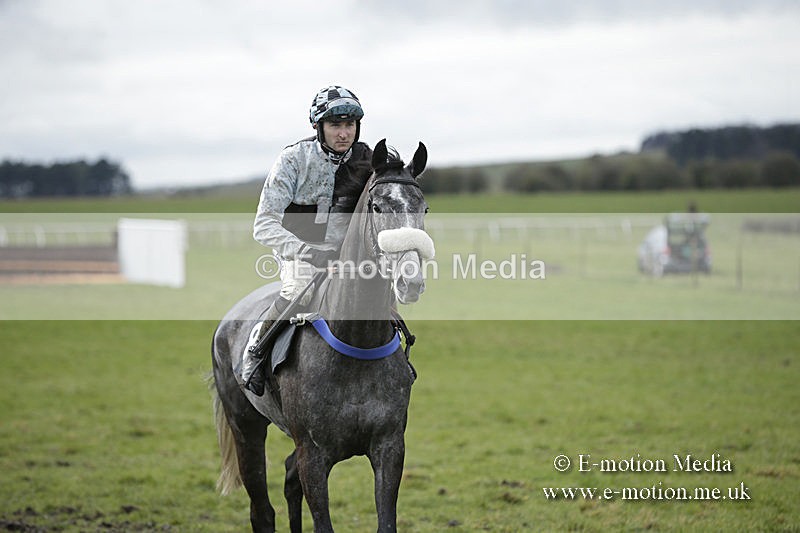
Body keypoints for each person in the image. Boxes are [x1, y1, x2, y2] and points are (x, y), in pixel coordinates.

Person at [242, 85, 374, 395]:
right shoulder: (292, 160)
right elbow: (263, 224)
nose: (344, 134)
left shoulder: (367, 159)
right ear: (318, 127)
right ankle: (255, 352)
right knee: (298, 289)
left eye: (349, 125)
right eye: (335, 125)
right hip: (300, 254)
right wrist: (307, 252)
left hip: (349, 256)